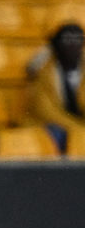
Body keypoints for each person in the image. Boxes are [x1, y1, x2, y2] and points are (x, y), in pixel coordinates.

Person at [30, 22, 85, 150]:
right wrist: (78, 128)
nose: (73, 44)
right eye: (67, 39)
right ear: (57, 45)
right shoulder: (44, 73)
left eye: (78, 39)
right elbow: (47, 112)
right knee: (56, 134)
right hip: (56, 125)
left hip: (79, 123)